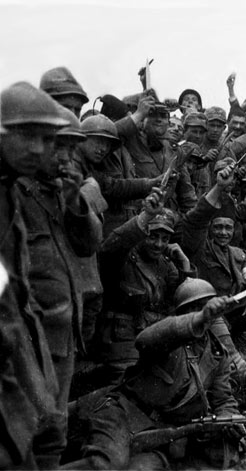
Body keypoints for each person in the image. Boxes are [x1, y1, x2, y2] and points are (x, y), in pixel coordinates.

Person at [65, 281, 245, 470]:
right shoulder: (167, 338)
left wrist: (229, 419)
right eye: (194, 308)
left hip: (161, 434)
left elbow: (223, 399)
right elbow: (144, 340)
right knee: (105, 464)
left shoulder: (218, 354)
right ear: (181, 313)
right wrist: (198, 319)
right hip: (123, 415)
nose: (204, 313)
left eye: (207, 306)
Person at [16, 105, 102, 463]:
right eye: (59, 148)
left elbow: (88, 244)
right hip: (23, 338)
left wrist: (74, 202)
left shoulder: (59, 192)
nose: (67, 159)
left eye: (71, 149)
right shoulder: (13, 193)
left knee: (53, 431)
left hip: (62, 335)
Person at [0, 81, 69, 468]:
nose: (38, 150)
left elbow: (17, 299)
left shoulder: (10, 189)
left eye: (47, 139)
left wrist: (40, 383)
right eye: (27, 136)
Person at [181, 167, 246, 384]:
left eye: (228, 228)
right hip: (207, 319)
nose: (223, 232)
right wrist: (219, 187)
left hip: (231, 318)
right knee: (212, 306)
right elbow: (195, 220)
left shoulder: (236, 253)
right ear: (210, 229)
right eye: (218, 227)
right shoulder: (198, 248)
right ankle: (238, 368)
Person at [96, 189, 195, 384]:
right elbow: (112, 246)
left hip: (155, 338)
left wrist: (185, 265)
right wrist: (146, 215)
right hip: (123, 342)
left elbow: (183, 300)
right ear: (142, 234)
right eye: (152, 236)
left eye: (164, 239)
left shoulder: (166, 264)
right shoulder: (123, 257)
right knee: (132, 388)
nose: (159, 244)